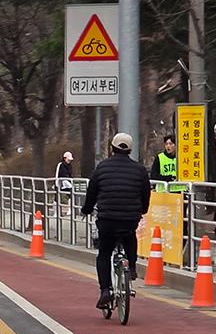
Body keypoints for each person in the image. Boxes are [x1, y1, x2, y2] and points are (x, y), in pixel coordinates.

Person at [81, 133, 151, 310]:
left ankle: (105, 291)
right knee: (129, 236)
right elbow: (145, 194)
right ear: (130, 150)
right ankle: (132, 268)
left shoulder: (102, 168)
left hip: (107, 219)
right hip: (130, 218)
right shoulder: (140, 170)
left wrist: (86, 209)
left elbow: (92, 192)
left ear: (112, 148)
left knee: (104, 253)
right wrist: (142, 210)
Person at [56, 151, 75, 216]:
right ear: (64, 158)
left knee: (71, 194)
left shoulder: (70, 166)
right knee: (57, 197)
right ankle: (56, 212)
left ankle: (70, 210)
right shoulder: (60, 165)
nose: (69, 161)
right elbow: (58, 175)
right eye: (68, 159)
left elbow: (70, 175)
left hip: (67, 182)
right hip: (60, 183)